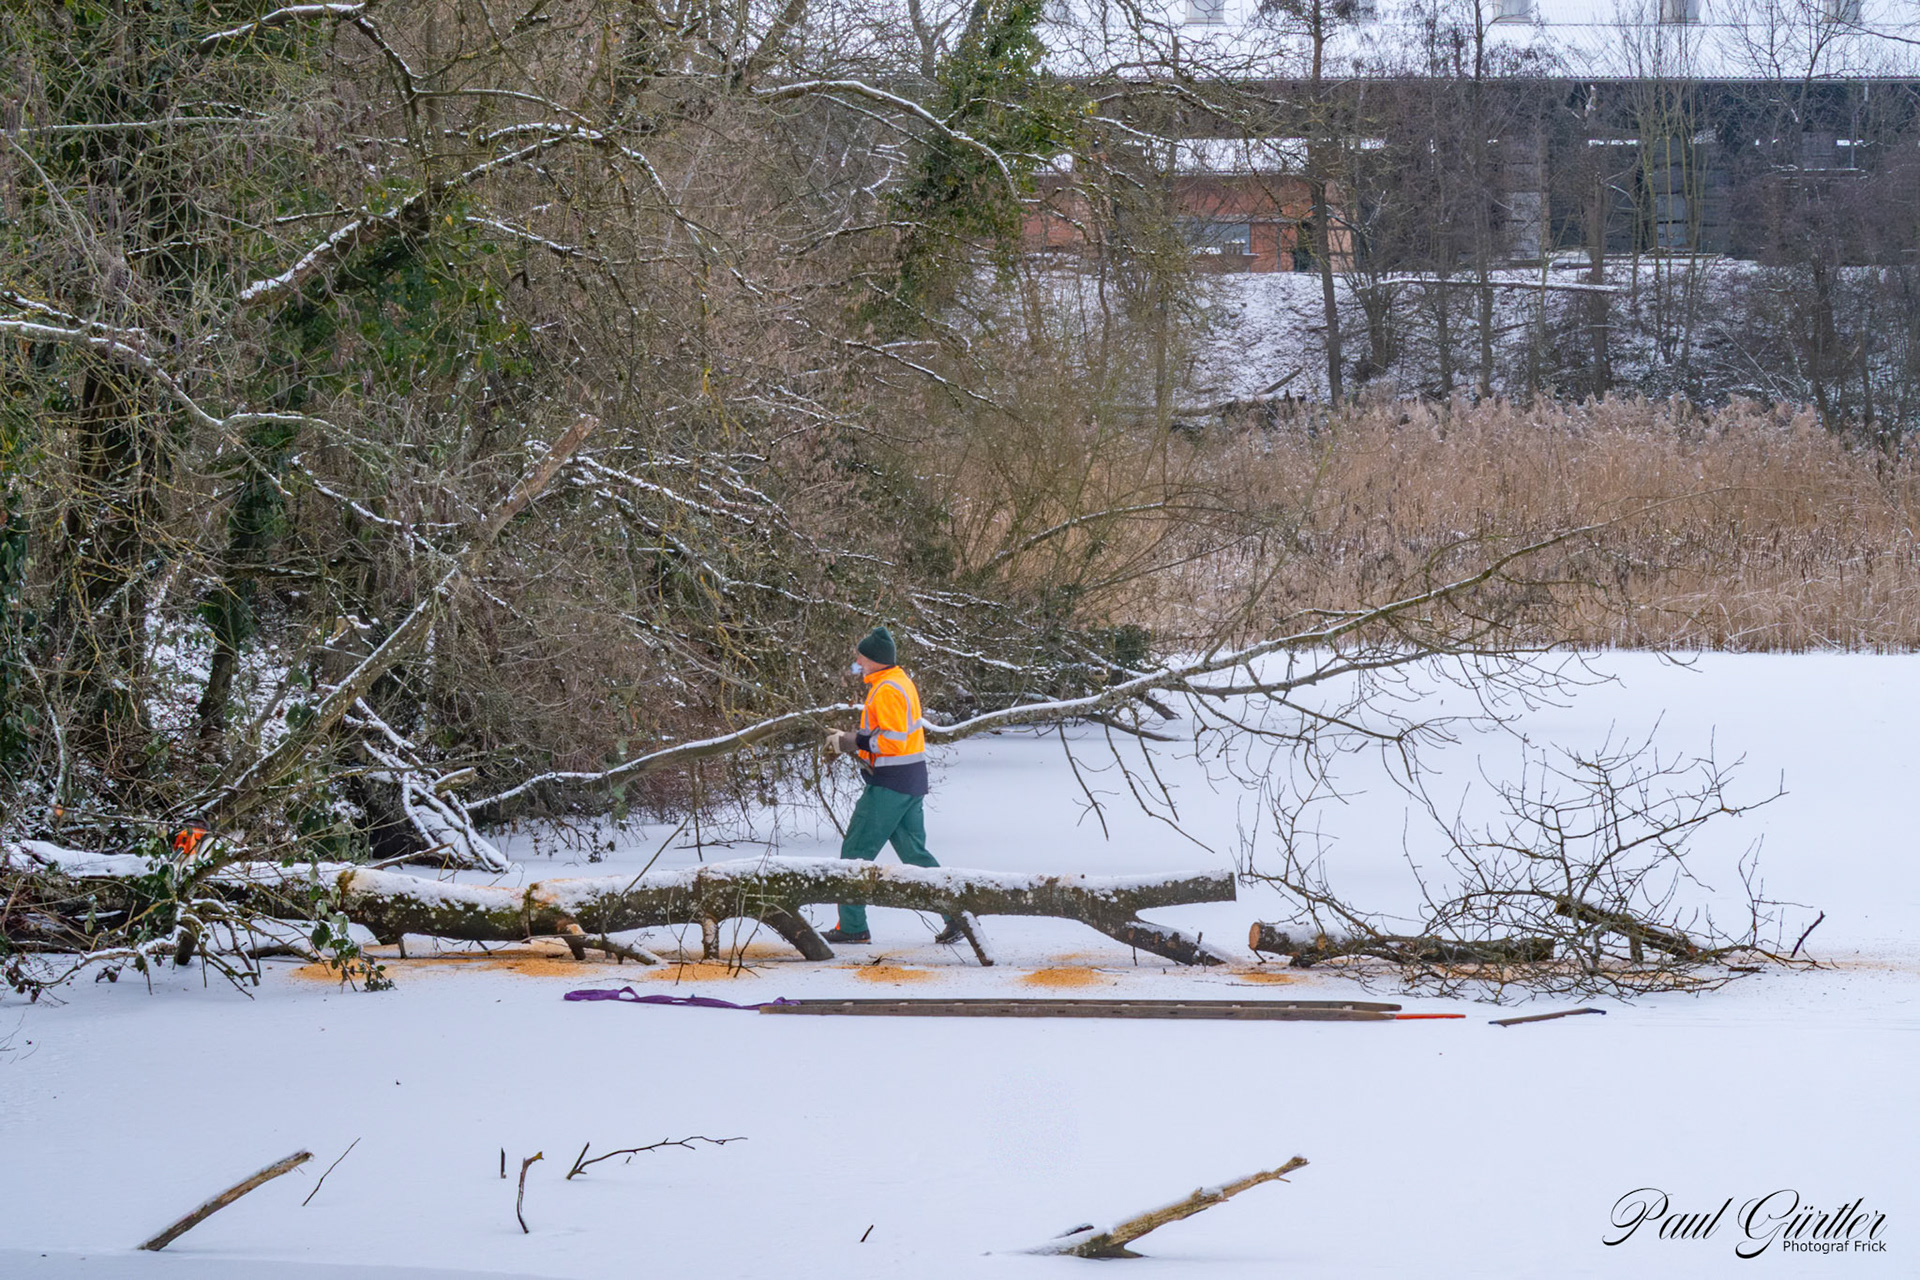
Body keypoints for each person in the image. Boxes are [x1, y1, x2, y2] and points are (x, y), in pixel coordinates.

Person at [821, 626, 962, 945]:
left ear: (873, 659)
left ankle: (852, 927)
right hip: (911, 780)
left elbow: (892, 741)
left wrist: (848, 741)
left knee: (855, 853)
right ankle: (958, 914)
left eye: (861, 655)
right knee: (915, 854)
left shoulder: (886, 690)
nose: (857, 659)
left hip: (889, 785)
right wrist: (853, 743)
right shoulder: (899, 682)